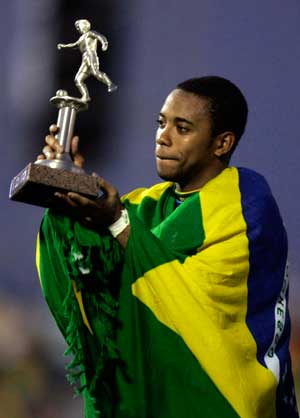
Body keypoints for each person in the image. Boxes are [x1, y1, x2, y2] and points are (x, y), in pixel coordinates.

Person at [36, 76, 299, 418]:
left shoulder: (246, 205)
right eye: (161, 123)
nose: (163, 137)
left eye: (183, 128)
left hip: (225, 401)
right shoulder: (146, 206)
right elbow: (101, 271)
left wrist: (115, 223)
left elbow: (192, 308)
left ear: (222, 143)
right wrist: (69, 195)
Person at [57, 19, 117, 102]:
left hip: (91, 56)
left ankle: (110, 84)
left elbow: (99, 36)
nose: (78, 29)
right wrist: (63, 46)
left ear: (84, 25)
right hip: (85, 59)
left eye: (79, 26)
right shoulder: (81, 39)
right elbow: (73, 45)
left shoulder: (90, 33)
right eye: (77, 27)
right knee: (78, 79)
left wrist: (104, 43)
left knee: (95, 72)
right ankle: (86, 96)